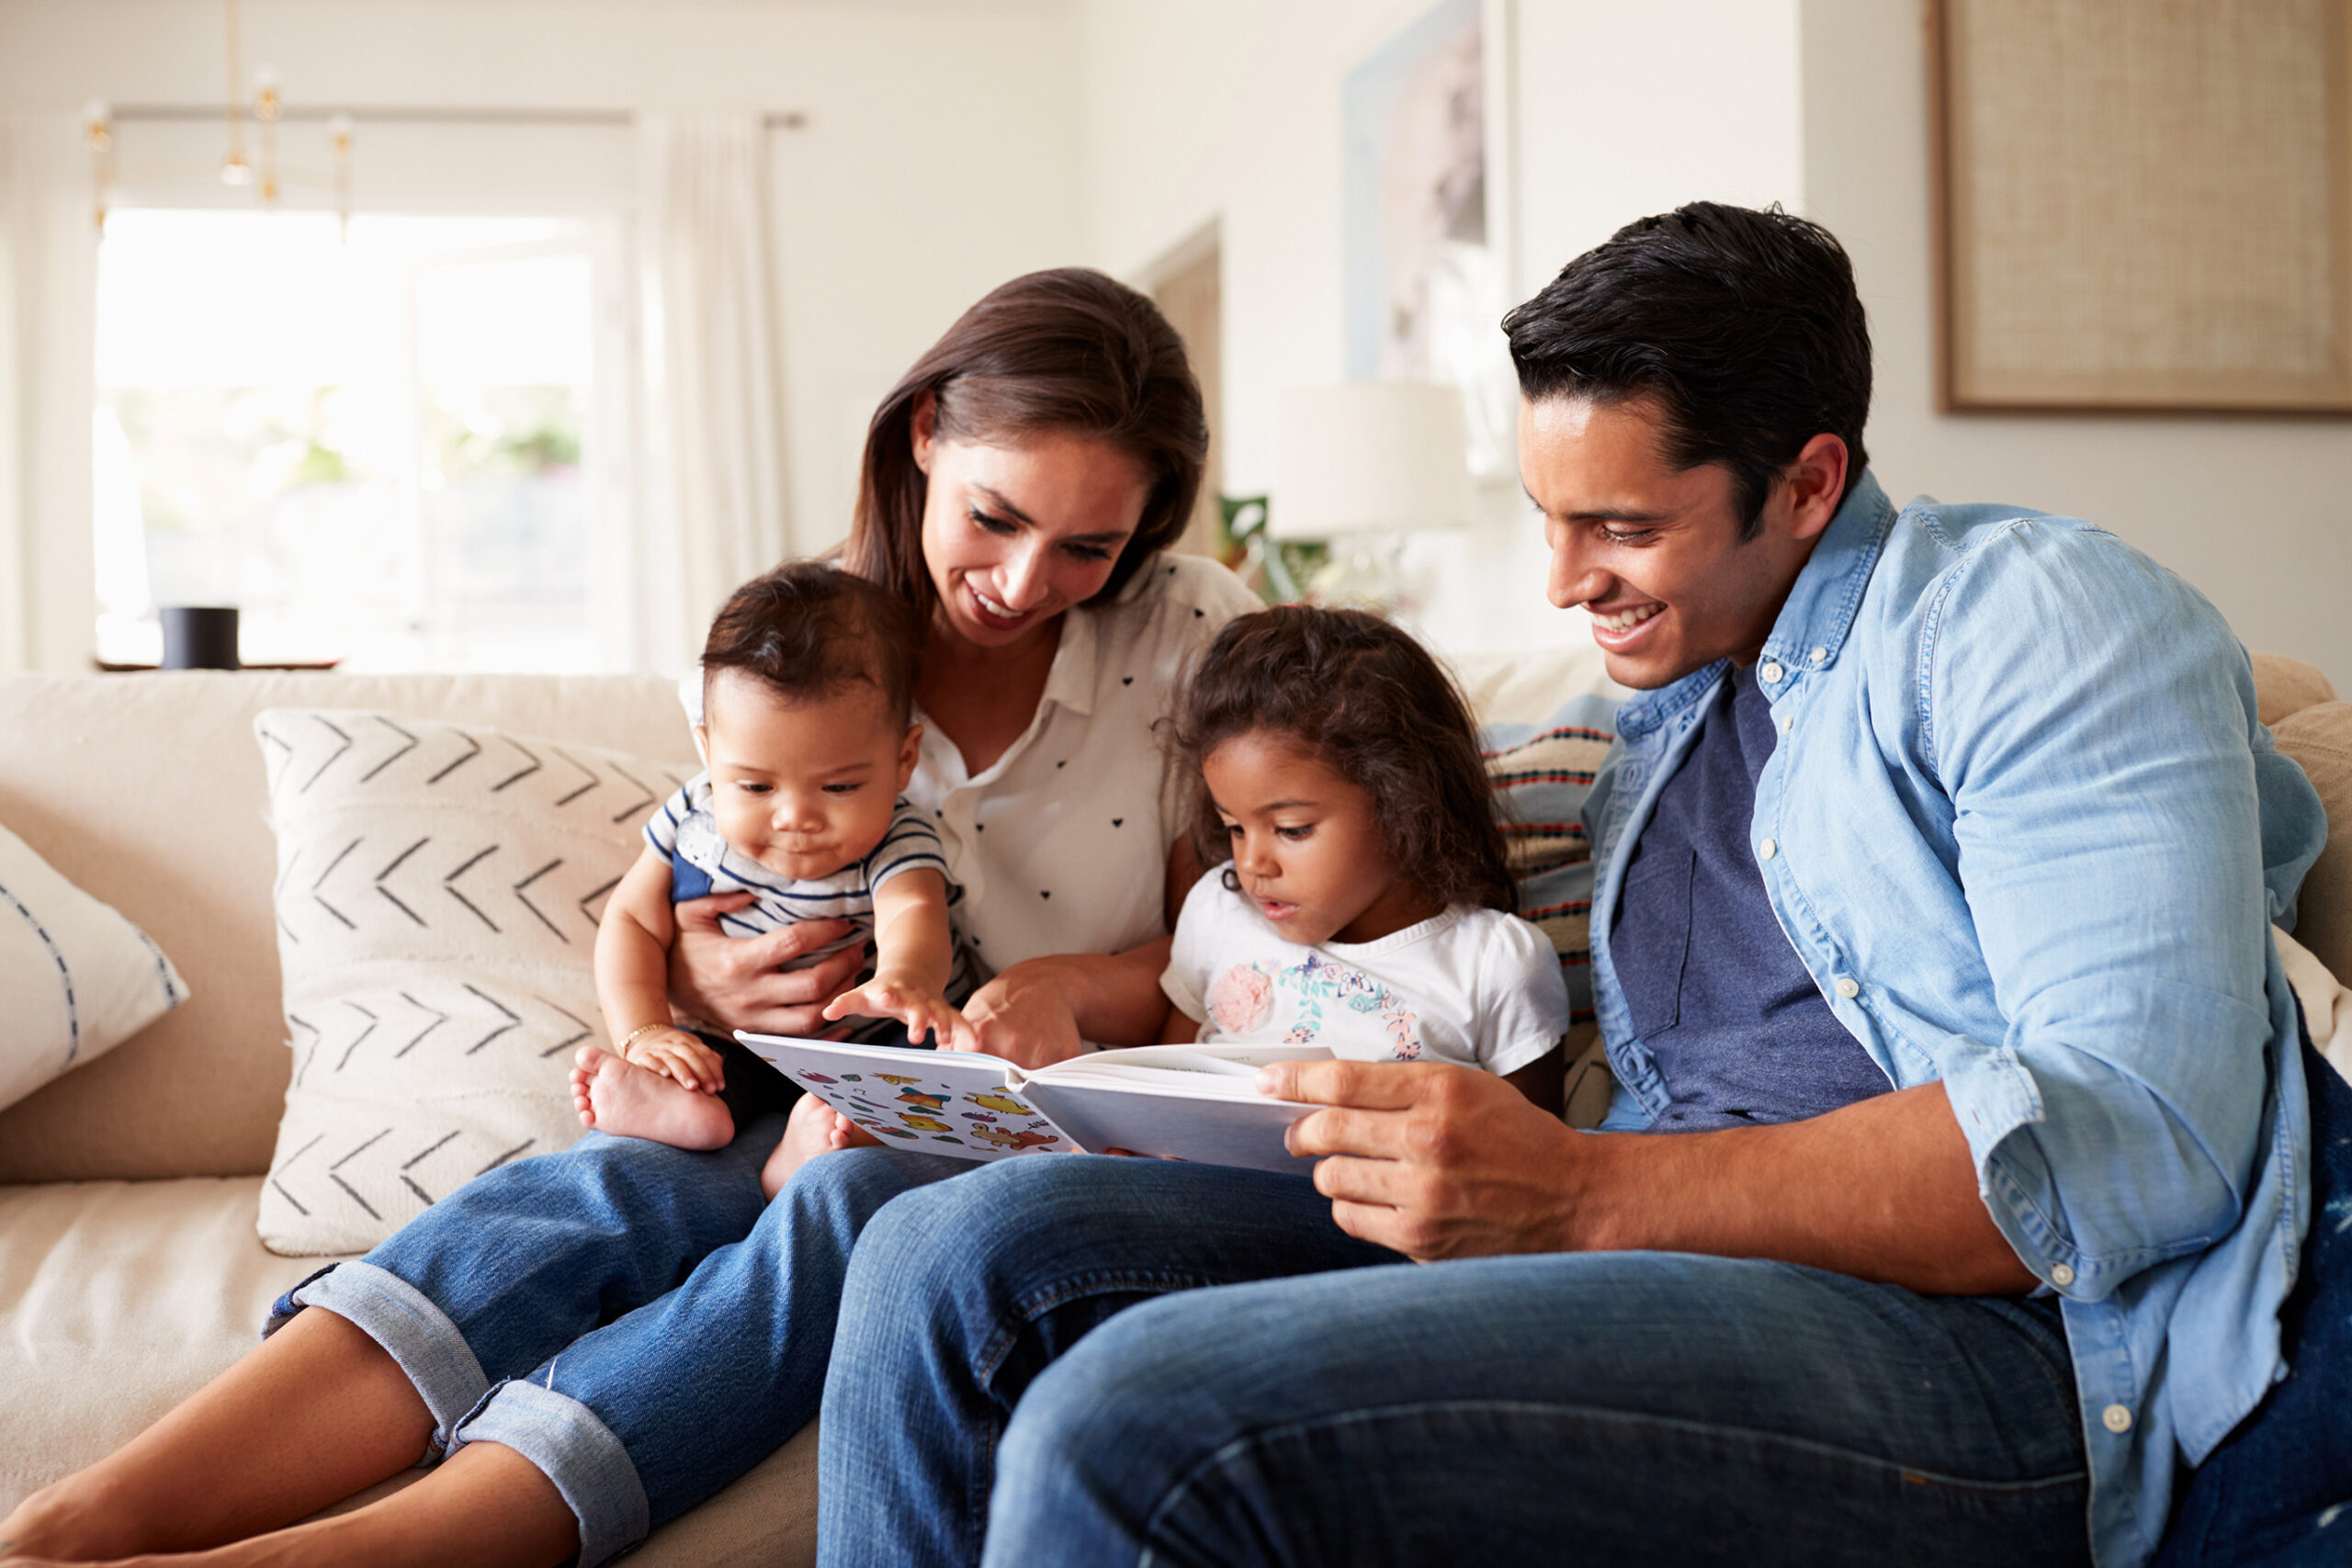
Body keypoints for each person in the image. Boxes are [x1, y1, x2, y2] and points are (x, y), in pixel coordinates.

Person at [806, 203, 2329, 1568]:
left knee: (1139, 1420)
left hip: (1976, 1343)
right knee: (950, 1252)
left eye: (1621, 526)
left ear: (1806, 484)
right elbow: (1387, 816)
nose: (1561, 580)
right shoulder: (1660, 719)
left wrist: (1586, 1188)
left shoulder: (2030, 620)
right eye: (1548, 516)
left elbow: (2137, 1136)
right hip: (1640, 1246)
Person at [0, 266, 1261, 1568]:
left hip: (1028, 1111)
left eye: (1088, 547)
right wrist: (712, 988)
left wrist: (1070, 986)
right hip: (795, 1071)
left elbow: (1232, 942)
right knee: (597, 1189)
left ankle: (367, 1551)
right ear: (926, 433)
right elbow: (700, 894)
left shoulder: (1193, 635)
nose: (1019, 579)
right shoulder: (791, 647)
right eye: (994, 518)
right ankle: (78, 1521)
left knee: (850, 1207)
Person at [572, 560, 978, 1198]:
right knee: (702, 1065)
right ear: (708, 753)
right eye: (756, 785)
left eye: (840, 786)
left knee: (932, 1080)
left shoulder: (896, 836)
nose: (795, 817)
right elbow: (630, 921)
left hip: (871, 1043)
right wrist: (647, 1031)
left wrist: (906, 979)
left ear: (904, 759)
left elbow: (912, 911)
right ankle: (678, 1107)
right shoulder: (694, 815)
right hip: (746, 1045)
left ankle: (808, 1145)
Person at [1157, 604, 1567, 1111]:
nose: (1253, 864)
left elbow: (1537, 1156)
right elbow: (1163, 1082)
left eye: (1291, 830)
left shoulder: (1494, 964)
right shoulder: (1219, 911)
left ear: (1405, 804)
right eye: (1234, 828)